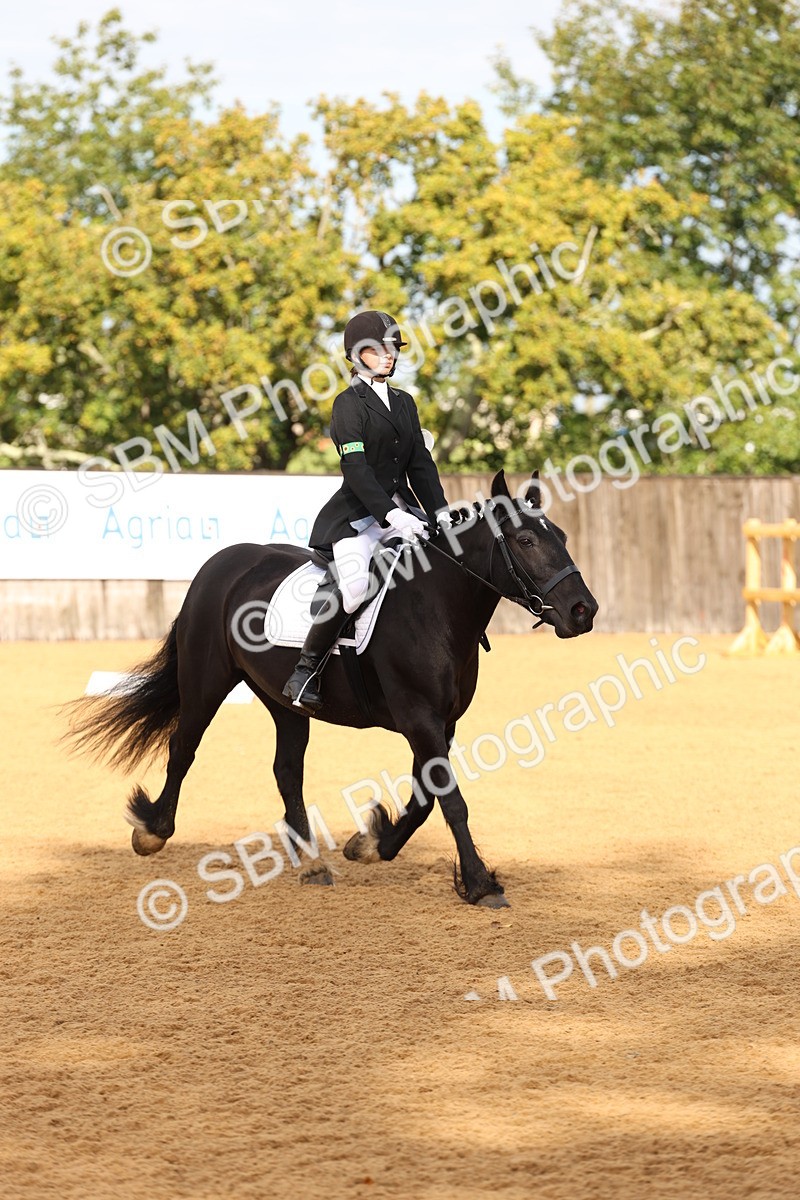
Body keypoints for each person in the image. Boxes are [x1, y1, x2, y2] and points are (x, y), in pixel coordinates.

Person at [282, 309, 450, 713]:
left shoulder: (405, 403)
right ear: (357, 356)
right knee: (356, 587)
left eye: (393, 347)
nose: (389, 355)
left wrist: (439, 511)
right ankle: (305, 672)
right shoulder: (347, 405)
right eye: (379, 349)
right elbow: (355, 469)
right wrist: (390, 516)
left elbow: (420, 466)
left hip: (405, 511)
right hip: (356, 519)